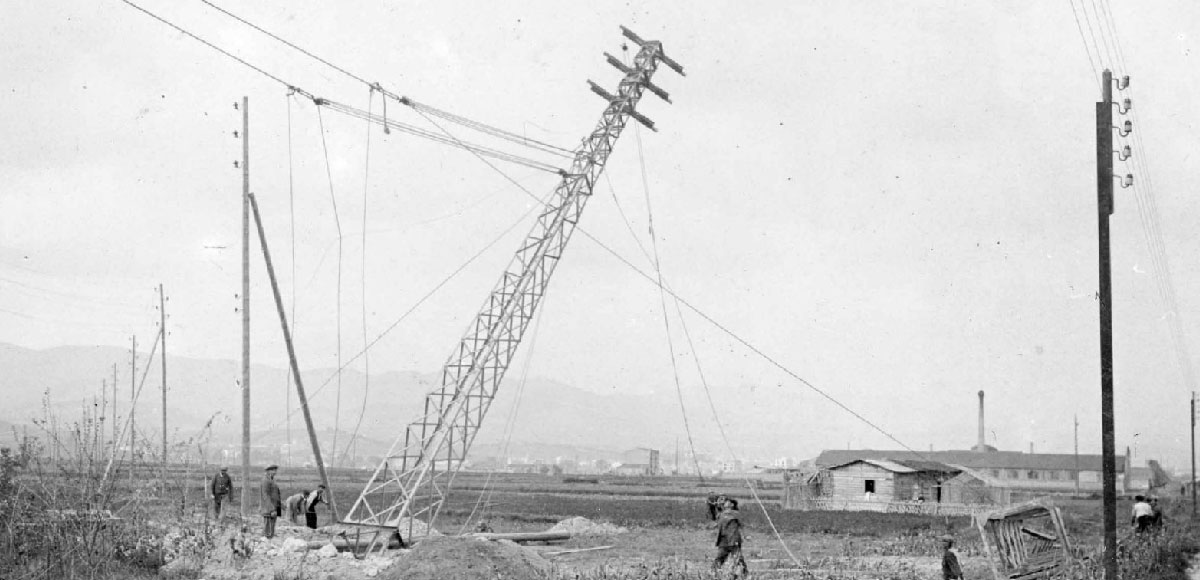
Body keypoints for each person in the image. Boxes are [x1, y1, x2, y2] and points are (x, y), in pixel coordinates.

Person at [712, 498, 748, 578]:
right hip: (723, 540)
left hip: (733, 538)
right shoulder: (721, 514)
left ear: (732, 505)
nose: (725, 503)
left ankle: (744, 573)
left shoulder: (735, 513)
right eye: (725, 502)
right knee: (719, 558)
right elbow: (716, 519)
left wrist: (745, 536)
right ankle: (714, 572)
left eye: (728, 502)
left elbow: (742, 525)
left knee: (738, 558)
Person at [260, 465, 282, 539]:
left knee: (271, 526)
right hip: (268, 507)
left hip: (274, 506)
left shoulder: (272, 480)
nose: (275, 472)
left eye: (275, 470)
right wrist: (271, 509)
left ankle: (269, 540)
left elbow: (275, 494)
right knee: (268, 527)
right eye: (273, 470)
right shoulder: (265, 480)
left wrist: (280, 504)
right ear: (268, 471)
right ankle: (265, 542)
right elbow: (265, 495)